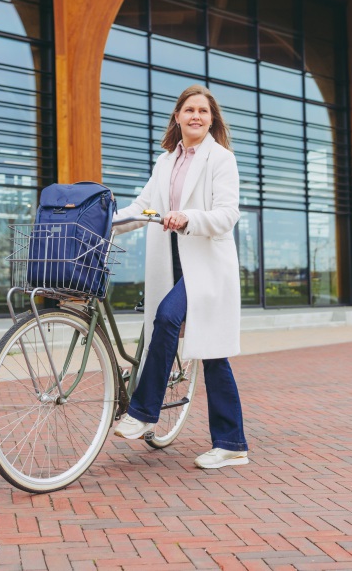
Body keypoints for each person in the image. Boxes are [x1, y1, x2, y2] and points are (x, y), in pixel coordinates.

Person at [112, 84, 248, 470]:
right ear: (177, 116)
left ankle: (142, 411)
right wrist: (106, 222)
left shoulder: (221, 160)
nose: (196, 117)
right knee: (213, 356)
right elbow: (143, 207)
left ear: (211, 120)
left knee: (167, 318)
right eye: (189, 110)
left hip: (205, 265)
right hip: (170, 262)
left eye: (203, 112)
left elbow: (227, 215)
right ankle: (232, 442)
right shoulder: (165, 162)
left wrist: (189, 217)